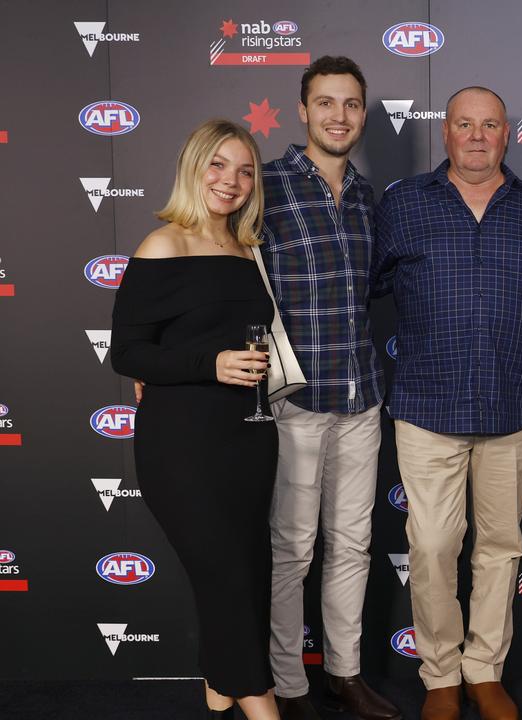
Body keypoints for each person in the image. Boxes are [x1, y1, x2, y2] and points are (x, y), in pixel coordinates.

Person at [372, 86, 522, 720]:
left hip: (512, 406)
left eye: (490, 125)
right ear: (447, 134)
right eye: (465, 124)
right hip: (428, 405)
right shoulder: (404, 204)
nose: (478, 136)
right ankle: (440, 674)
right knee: (432, 545)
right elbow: (361, 283)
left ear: (507, 134)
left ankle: (485, 669)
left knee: (501, 546)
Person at [111, 119, 280, 720]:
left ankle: (220, 677)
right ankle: (262, 704)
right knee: (225, 572)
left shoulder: (247, 248)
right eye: (218, 164)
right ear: (192, 167)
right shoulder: (164, 244)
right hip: (181, 443)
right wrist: (209, 363)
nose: (230, 181)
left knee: (248, 567)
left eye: (244, 169)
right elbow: (126, 354)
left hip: (249, 435)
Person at [259, 56, 399, 720]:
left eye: (350, 105)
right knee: (291, 548)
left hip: (361, 396)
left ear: (362, 115)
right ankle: (286, 684)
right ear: (303, 110)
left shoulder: (372, 198)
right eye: (325, 103)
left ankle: (344, 672)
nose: (338, 116)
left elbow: (369, 293)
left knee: (352, 544)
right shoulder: (264, 185)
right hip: (294, 402)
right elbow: (214, 270)